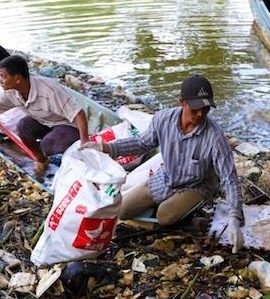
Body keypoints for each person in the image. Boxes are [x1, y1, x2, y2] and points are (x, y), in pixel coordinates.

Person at [82, 75, 245, 253]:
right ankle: (163, 202)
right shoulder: (163, 120)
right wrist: (105, 147)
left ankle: (182, 210)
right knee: (121, 211)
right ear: (182, 102)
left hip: (197, 186)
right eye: (196, 108)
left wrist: (234, 219)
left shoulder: (215, 136)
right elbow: (141, 144)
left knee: (164, 216)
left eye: (206, 109)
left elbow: (229, 178)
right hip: (167, 177)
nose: (200, 114)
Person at [0, 55, 89, 174]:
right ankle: (41, 160)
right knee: (23, 126)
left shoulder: (49, 90)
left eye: (3, 76)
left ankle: (72, 164)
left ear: (18, 78)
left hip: (68, 124)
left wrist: (85, 142)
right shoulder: (12, 92)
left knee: (48, 145)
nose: (0, 81)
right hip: (45, 121)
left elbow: (79, 114)